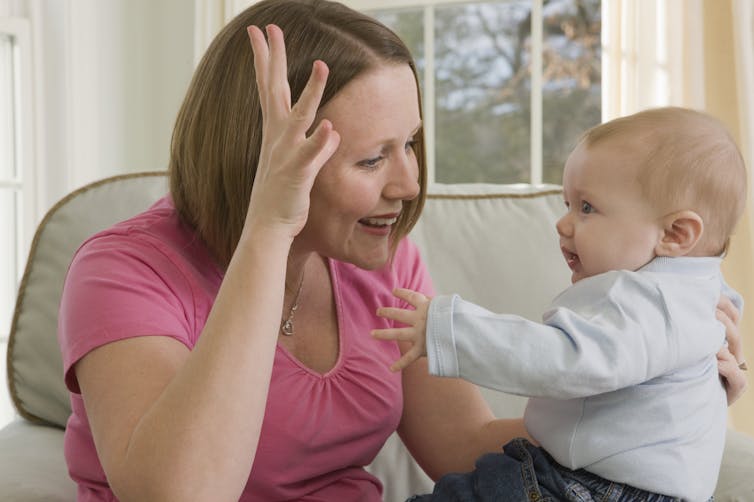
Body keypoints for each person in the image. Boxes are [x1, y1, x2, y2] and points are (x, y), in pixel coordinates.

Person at [55, 0, 746, 499]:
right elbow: (181, 493)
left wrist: (654, 395)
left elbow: (459, 446)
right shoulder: (124, 272)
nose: (410, 183)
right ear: (260, 162)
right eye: (370, 160)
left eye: (410, 144)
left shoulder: (380, 260)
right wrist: (269, 230)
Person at [373, 107, 748, 501]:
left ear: (676, 234)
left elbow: (564, 358)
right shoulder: (700, 293)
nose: (563, 224)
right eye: (568, 203)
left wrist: (449, 329)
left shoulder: (646, 300)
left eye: (586, 208)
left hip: (593, 489)